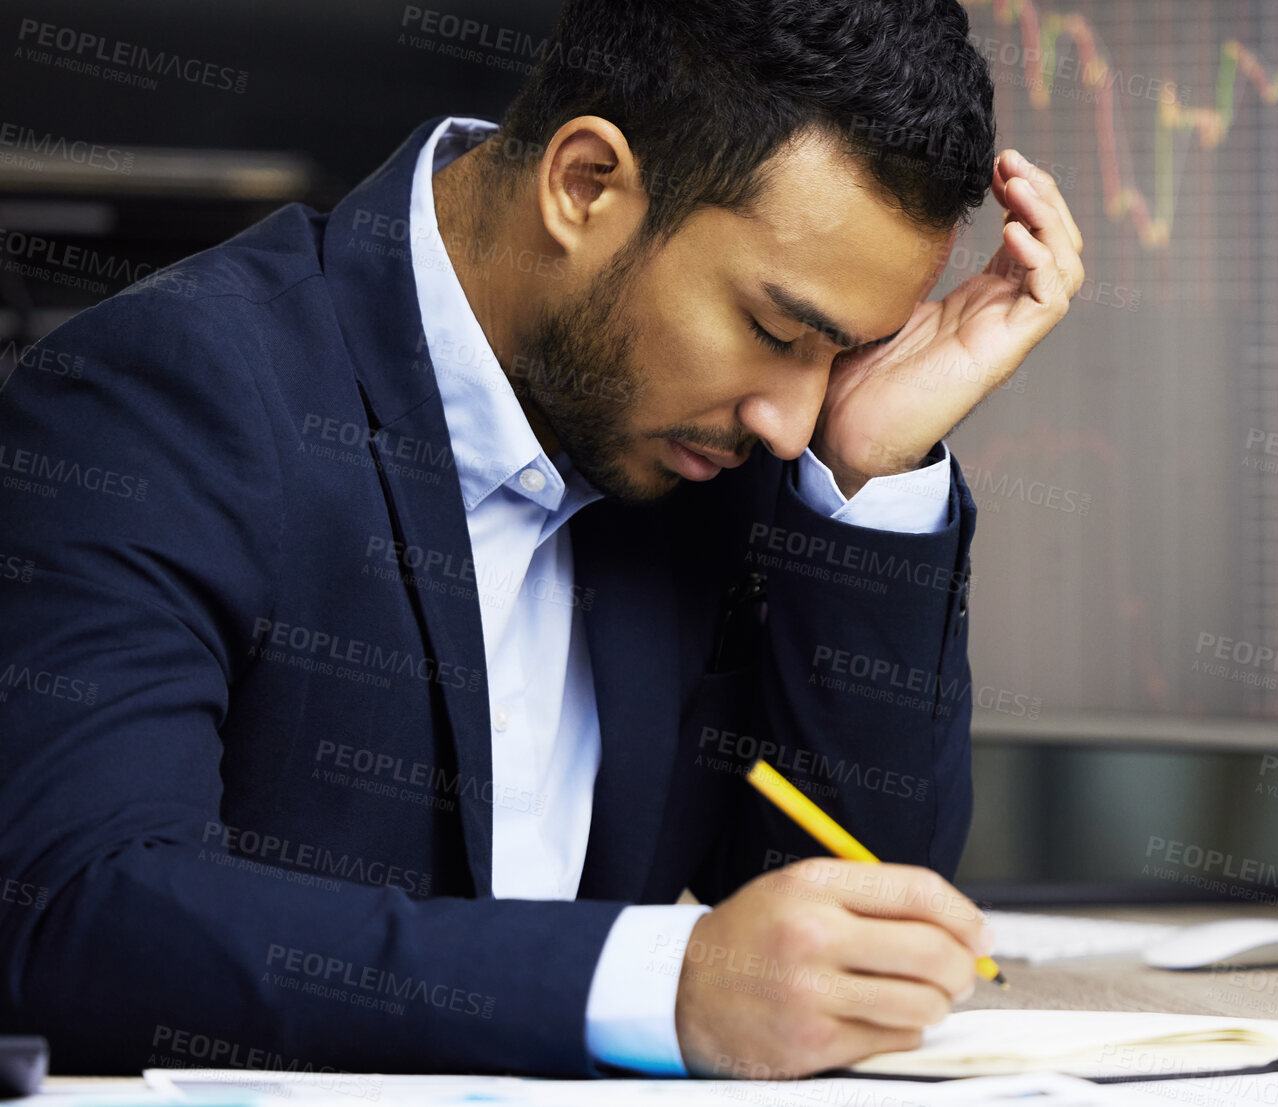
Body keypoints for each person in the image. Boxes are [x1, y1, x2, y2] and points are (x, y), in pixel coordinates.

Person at [0, 0, 1083, 1080]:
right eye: (776, 331)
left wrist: (865, 472)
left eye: (840, 355)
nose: (788, 422)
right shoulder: (168, 392)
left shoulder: (721, 435)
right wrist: (656, 984)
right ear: (584, 186)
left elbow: (840, 958)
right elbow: (78, 911)